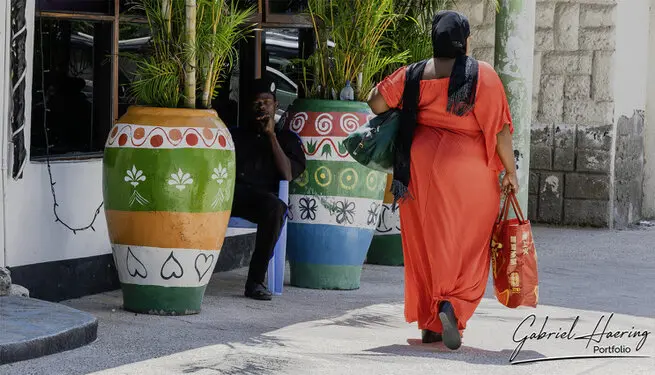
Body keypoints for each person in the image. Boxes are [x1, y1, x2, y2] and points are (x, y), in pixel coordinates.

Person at [366, 10, 518, 350]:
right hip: (470, 172)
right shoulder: (484, 76)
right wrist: (511, 171)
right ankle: (453, 306)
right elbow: (500, 131)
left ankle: (431, 326)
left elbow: (375, 102)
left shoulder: (414, 74)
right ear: (463, 41)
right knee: (471, 244)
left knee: (426, 245)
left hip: (417, 170)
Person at [230, 78, 306, 301]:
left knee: (276, 208)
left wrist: (271, 136)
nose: (262, 106)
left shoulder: (287, 139)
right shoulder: (234, 136)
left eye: (267, 102)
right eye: (257, 102)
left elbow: (288, 174)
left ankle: (255, 281)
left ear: (275, 105)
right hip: (232, 196)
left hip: (262, 202)